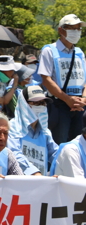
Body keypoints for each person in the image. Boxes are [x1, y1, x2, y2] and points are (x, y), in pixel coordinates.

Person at [37, 14, 86, 145]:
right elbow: (46, 79)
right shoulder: (49, 50)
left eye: (78, 29)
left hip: (80, 106)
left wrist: (84, 98)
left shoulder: (80, 53)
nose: (76, 32)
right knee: (59, 146)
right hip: (59, 105)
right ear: (60, 30)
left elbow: (85, 79)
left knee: (79, 146)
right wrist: (67, 99)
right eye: (71, 28)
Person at [8, 86, 58, 175]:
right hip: (18, 181)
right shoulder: (13, 126)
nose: (41, 106)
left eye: (43, 103)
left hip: (41, 182)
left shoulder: (45, 131)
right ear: (24, 103)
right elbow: (13, 153)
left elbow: (55, 154)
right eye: (36, 103)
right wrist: (34, 172)